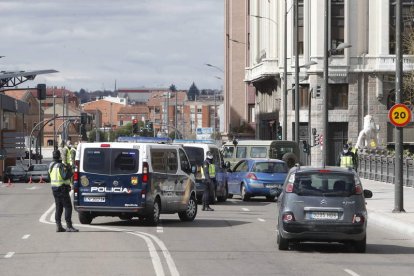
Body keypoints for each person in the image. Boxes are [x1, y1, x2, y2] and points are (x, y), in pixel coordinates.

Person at [49, 150, 78, 232]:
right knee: (68, 207)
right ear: (59, 156)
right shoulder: (60, 166)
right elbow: (65, 176)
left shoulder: (51, 165)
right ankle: (69, 226)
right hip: (62, 189)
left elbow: (49, 177)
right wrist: (70, 171)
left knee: (59, 207)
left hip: (54, 189)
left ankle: (58, 226)